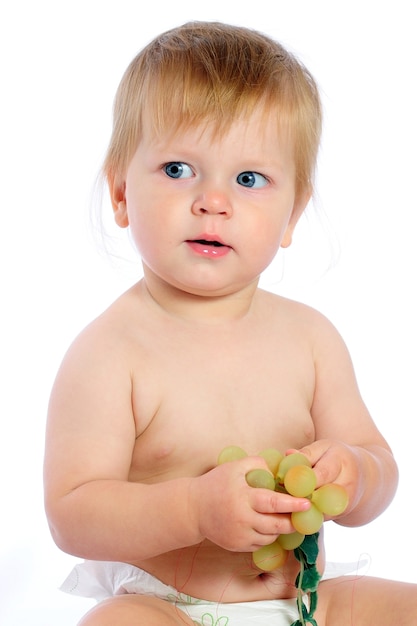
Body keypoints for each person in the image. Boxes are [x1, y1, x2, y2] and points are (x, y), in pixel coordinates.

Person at [43, 21, 417, 626]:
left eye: (249, 179)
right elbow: (73, 515)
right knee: (114, 623)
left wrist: (356, 471)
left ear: (292, 214)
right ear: (119, 192)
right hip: (169, 608)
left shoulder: (312, 339)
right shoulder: (110, 353)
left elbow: (380, 465)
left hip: (308, 602)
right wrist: (194, 508)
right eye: (177, 169)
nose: (213, 201)